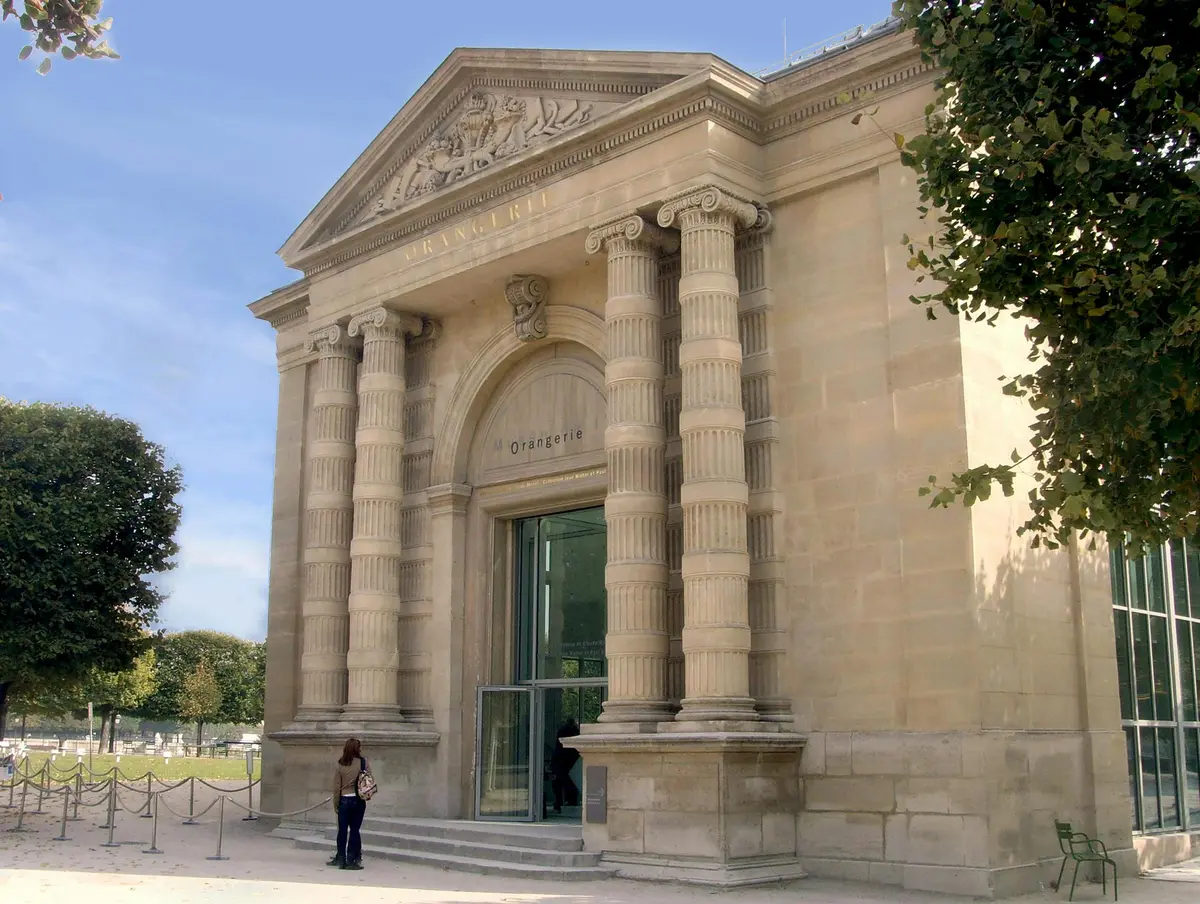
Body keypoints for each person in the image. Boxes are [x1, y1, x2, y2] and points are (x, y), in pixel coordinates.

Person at [329, 737, 367, 870]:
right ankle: (352, 859)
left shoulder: (340, 763)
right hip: (358, 800)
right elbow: (369, 780)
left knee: (342, 831)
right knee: (355, 831)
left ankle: (341, 859)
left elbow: (336, 786)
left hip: (344, 799)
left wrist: (336, 803)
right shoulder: (363, 763)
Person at [549, 718, 581, 813]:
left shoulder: (563, 731)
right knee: (566, 782)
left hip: (561, 761)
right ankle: (569, 802)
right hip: (567, 761)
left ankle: (559, 803)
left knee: (559, 783)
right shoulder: (573, 731)